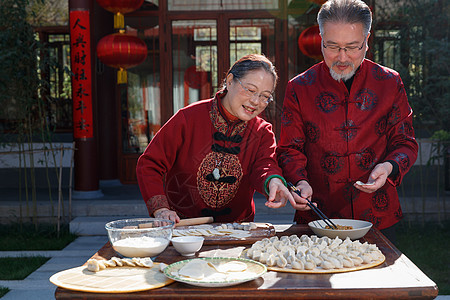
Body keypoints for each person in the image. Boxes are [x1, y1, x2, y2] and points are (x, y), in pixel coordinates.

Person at [277, 0, 418, 240]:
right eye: (332, 46)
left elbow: (406, 143)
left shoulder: (389, 82)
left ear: (366, 41)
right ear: (321, 39)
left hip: (377, 213)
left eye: (352, 47)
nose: (342, 57)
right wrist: (299, 181)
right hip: (317, 216)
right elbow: (289, 149)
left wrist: (388, 167)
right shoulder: (300, 87)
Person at [137, 54, 299, 224]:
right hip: (183, 227)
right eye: (251, 90)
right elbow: (149, 163)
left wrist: (273, 180)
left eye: (265, 96)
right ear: (230, 81)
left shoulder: (262, 131)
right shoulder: (188, 118)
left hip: (237, 230)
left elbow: (265, 166)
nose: (255, 101)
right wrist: (161, 209)